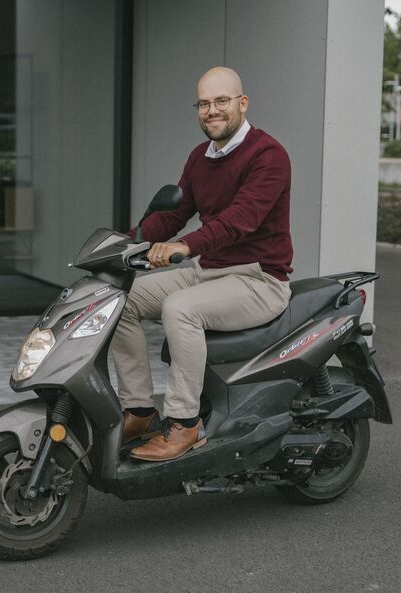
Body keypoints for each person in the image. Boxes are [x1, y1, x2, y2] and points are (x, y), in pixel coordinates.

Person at [111, 66, 293, 462]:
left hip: (258, 279)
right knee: (117, 299)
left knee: (181, 310)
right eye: (205, 103)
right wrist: (125, 241)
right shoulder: (200, 157)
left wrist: (183, 247)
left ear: (242, 104)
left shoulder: (268, 155)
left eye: (221, 101)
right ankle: (140, 410)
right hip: (207, 272)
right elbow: (175, 216)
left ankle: (185, 423)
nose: (212, 110)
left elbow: (240, 219)